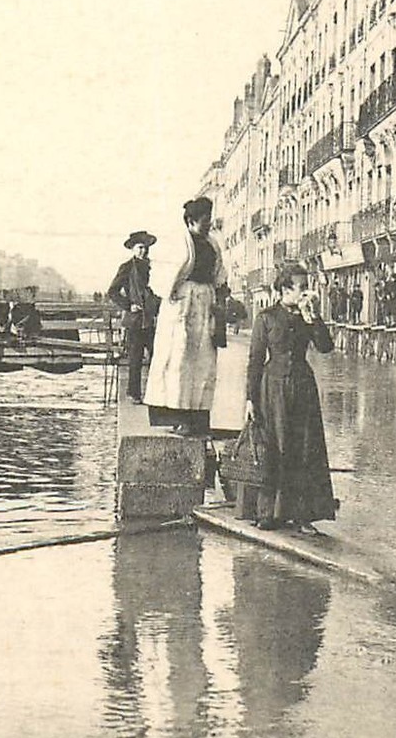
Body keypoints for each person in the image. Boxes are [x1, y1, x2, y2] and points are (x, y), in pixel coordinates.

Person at [244, 263, 339, 534]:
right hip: (272, 388)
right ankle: (267, 513)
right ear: (285, 289)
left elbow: (325, 347)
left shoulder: (307, 317)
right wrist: (250, 399)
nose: (306, 291)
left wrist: (314, 319)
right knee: (273, 447)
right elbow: (254, 360)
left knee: (305, 448)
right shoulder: (266, 317)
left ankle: (301, 515)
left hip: (302, 386)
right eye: (301, 286)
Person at [145, 198, 227, 438]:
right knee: (179, 360)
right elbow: (167, 273)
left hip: (205, 303)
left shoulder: (212, 243)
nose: (208, 224)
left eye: (209, 219)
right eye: (204, 220)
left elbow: (219, 273)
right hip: (183, 304)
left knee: (204, 361)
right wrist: (173, 291)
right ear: (192, 220)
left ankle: (199, 417)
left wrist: (218, 298)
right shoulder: (180, 241)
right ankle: (178, 416)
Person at [106, 230, 159, 403]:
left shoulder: (154, 268)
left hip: (152, 318)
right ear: (133, 249)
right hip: (135, 320)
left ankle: (155, 395)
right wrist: (129, 305)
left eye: (146, 248)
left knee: (157, 356)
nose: (144, 251)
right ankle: (134, 393)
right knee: (135, 358)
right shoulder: (127, 267)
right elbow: (112, 292)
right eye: (140, 248)